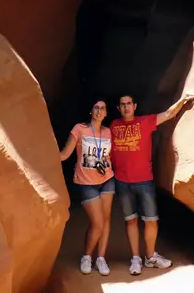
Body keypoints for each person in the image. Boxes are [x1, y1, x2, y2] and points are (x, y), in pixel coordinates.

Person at [111, 91, 194, 275]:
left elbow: (167, 114)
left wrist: (182, 101)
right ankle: (136, 258)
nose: (126, 107)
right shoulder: (113, 126)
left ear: (134, 107)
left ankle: (150, 257)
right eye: (123, 104)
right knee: (131, 221)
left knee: (151, 221)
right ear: (119, 108)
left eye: (129, 103)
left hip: (144, 181)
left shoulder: (145, 122)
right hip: (122, 181)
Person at [60, 99, 115, 276]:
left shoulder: (108, 132)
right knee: (97, 222)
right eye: (96, 108)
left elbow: (110, 156)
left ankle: (101, 258)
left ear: (106, 113)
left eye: (103, 109)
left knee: (106, 220)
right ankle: (87, 256)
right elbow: (64, 154)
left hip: (107, 179)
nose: (99, 111)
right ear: (91, 111)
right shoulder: (79, 129)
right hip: (86, 183)